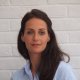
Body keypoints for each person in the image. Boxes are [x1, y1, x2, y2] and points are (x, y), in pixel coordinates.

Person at [11, 9, 77, 80]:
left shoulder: (62, 71)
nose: (36, 38)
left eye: (41, 33)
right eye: (30, 32)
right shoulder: (16, 77)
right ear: (22, 36)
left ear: (49, 37)